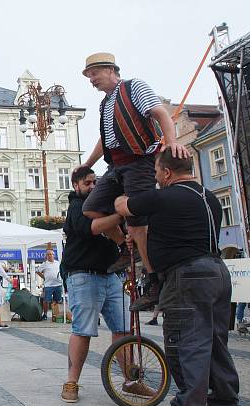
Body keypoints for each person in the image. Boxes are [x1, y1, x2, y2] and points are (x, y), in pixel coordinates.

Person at [115, 149, 240, 406]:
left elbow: (124, 206)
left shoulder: (164, 196)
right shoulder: (209, 197)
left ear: (168, 173)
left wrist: (124, 192)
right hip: (217, 272)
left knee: (187, 343)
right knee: (216, 342)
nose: (156, 177)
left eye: (157, 172)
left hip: (187, 276)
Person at [76, 53, 190, 312]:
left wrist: (171, 143)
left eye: (93, 73)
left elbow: (161, 113)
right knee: (91, 208)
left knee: (138, 223)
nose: (91, 79)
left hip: (139, 160)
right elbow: (104, 140)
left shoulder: (133, 86)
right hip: (115, 165)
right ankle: (127, 247)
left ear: (109, 69)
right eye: (89, 75)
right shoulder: (105, 104)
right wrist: (87, 165)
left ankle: (154, 282)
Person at [59, 166, 154, 404]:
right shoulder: (76, 207)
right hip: (83, 274)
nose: (92, 186)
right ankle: (71, 381)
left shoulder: (105, 204)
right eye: (87, 183)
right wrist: (122, 214)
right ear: (76, 186)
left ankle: (131, 382)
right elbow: (91, 228)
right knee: (83, 330)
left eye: (94, 182)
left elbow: (122, 233)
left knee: (123, 329)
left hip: (112, 275)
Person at [36, 249, 63, 322]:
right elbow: (37, 271)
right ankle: (45, 314)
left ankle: (55, 315)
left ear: (54, 255)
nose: (50, 256)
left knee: (56, 301)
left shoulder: (58, 263)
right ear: (46, 256)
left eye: (51, 254)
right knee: (46, 301)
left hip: (58, 284)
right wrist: (43, 277)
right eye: (48, 254)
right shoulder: (44, 264)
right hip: (48, 285)